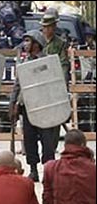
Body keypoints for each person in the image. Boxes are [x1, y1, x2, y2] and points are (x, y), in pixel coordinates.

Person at [9, 30, 56, 182]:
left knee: (47, 142)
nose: (25, 44)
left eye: (28, 41)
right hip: (28, 107)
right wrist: (13, 104)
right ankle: (33, 169)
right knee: (29, 140)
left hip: (45, 108)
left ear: (37, 43)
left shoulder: (47, 62)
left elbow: (54, 84)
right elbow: (18, 85)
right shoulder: (24, 62)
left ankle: (48, 171)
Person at [40, 9, 70, 151]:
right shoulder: (37, 41)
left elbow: (64, 64)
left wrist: (62, 86)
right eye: (46, 26)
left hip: (53, 85)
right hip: (39, 85)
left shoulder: (60, 43)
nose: (48, 29)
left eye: (51, 26)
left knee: (55, 119)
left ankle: (51, 147)